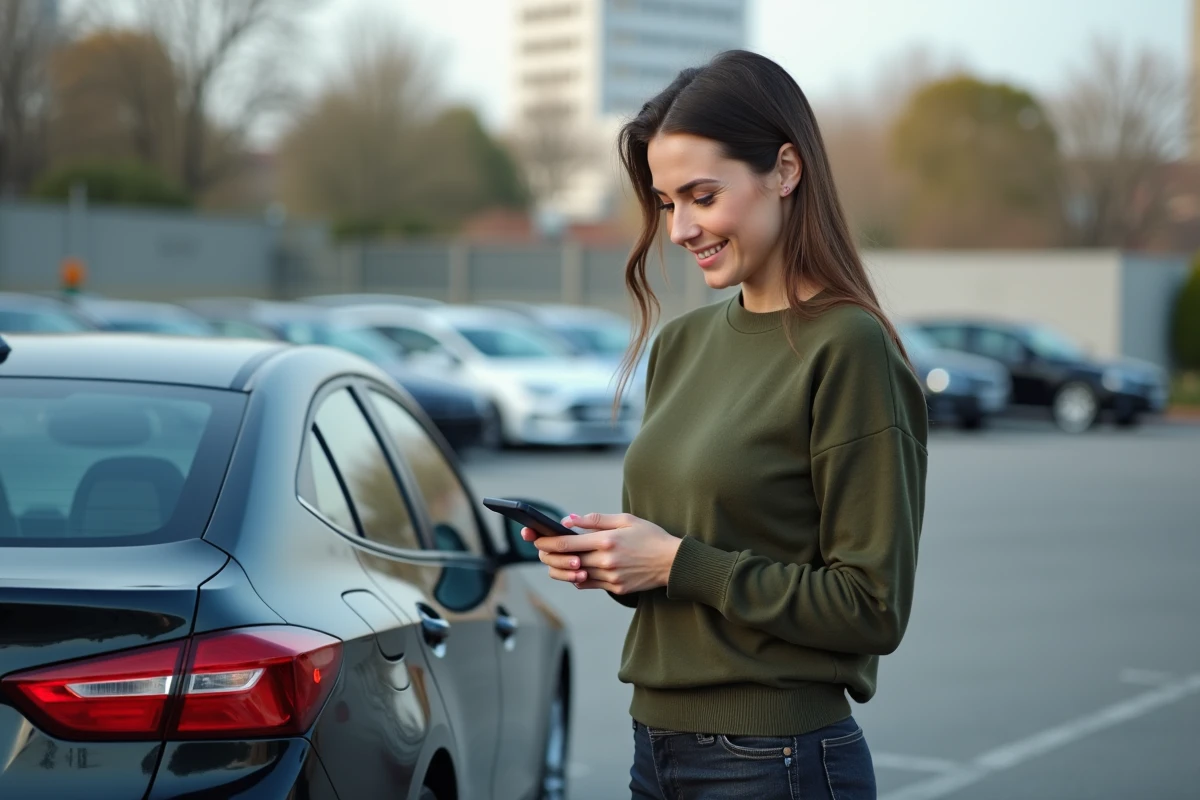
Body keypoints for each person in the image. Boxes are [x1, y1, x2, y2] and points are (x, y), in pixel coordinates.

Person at [523, 50, 928, 799]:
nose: (680, 229)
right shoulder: (681, 345)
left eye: (702, 196)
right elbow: (686, 561)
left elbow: (871, 608)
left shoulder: (849, 347)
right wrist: (617, 563)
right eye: (666, 203)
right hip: (656, 750)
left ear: (785, 170)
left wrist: (674, 563)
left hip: (777, 759)